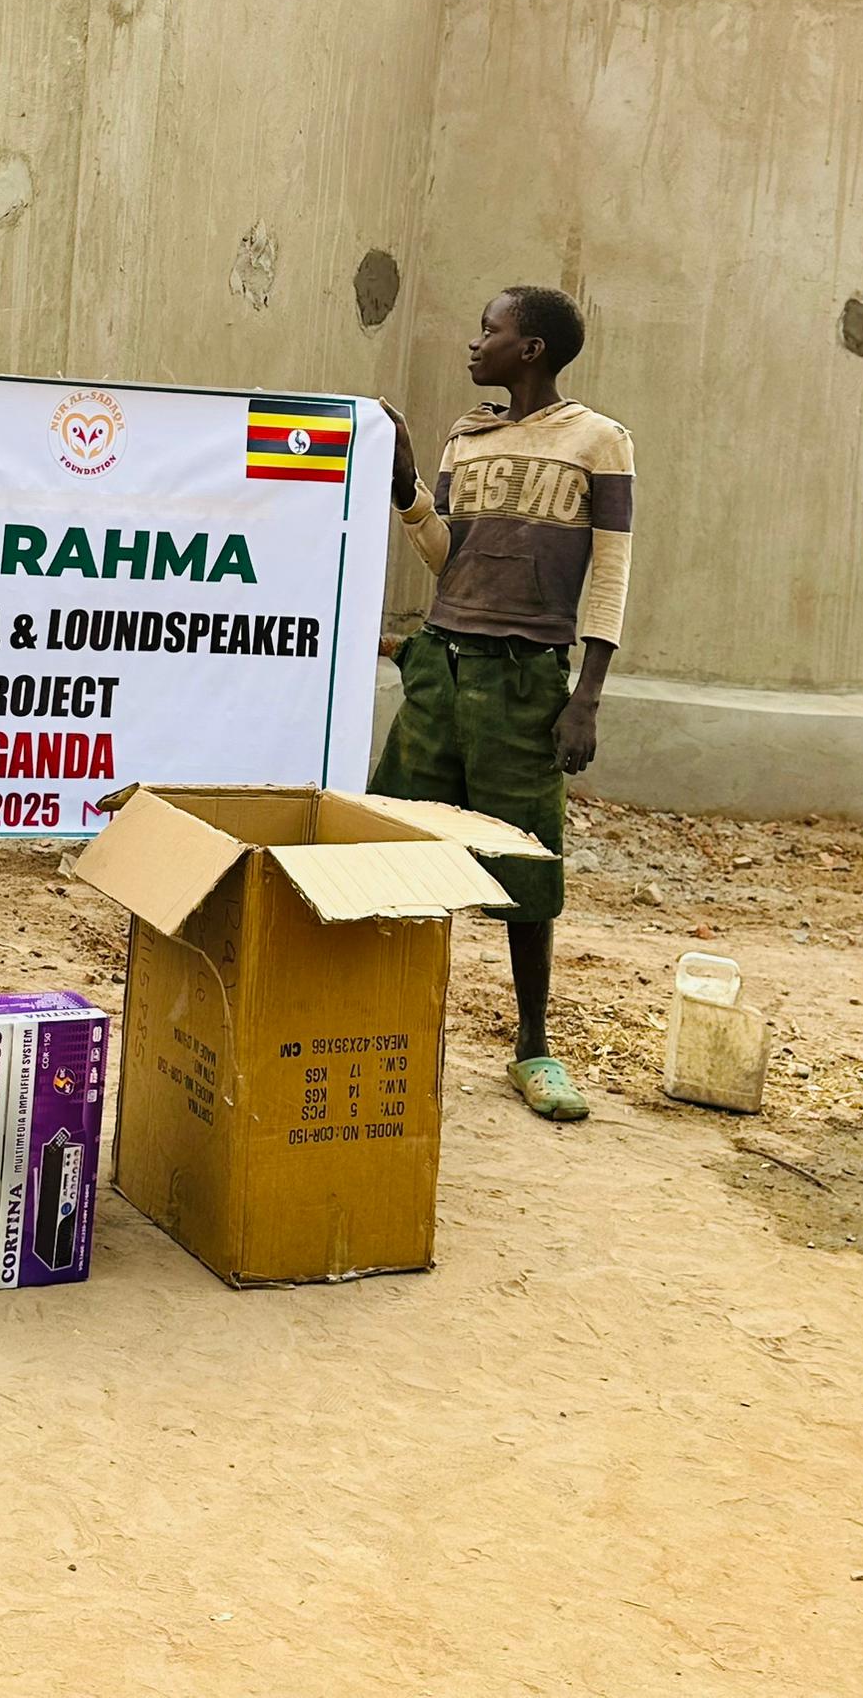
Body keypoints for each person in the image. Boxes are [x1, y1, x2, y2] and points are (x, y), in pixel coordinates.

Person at [371, 286, 634, 1124]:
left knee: (527, 865)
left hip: (527, 682)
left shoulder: (599, 441)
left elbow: (611, 573)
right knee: (399, 849)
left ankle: (531, 1044)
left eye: (491, 330)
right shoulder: (467, 433)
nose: (474, 343)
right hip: (441, 670)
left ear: (533, 350)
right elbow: (445, 555)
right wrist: (408, 481)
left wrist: (585, 696)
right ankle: (394, 1025)